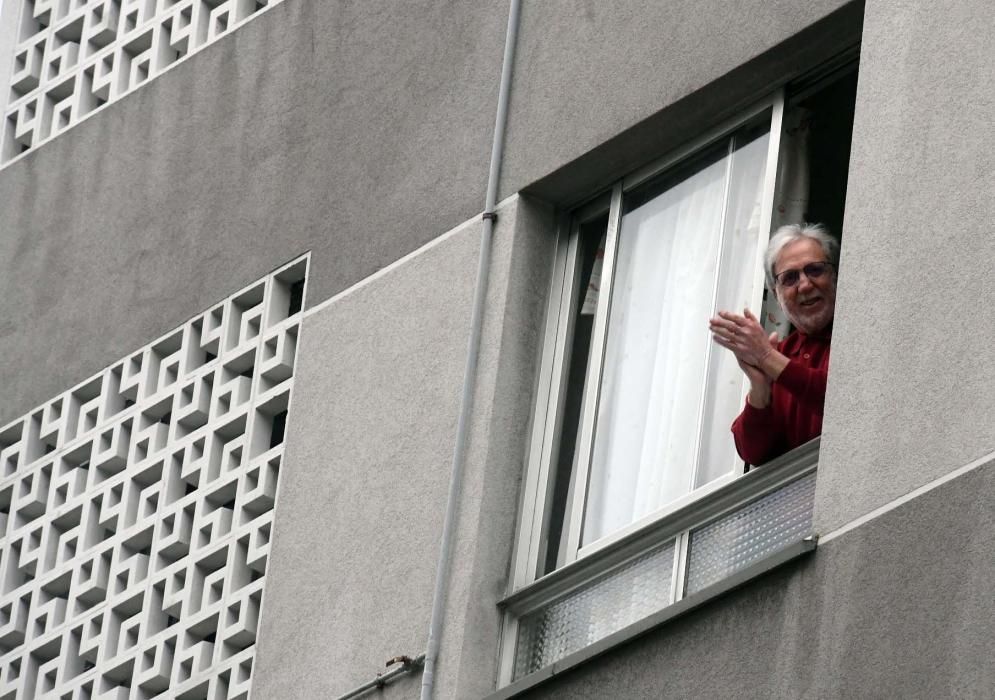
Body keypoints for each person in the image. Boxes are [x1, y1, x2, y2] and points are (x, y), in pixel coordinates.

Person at [709, 223, 839, 465]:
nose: (805, 285)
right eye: (790, 278)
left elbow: (843, 399)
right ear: (776, 293)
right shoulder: (782, 354)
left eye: (815, 270)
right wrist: (760, 390)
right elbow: (752, 453)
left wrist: (768, 357)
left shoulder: (861, 331)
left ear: (835, 275)